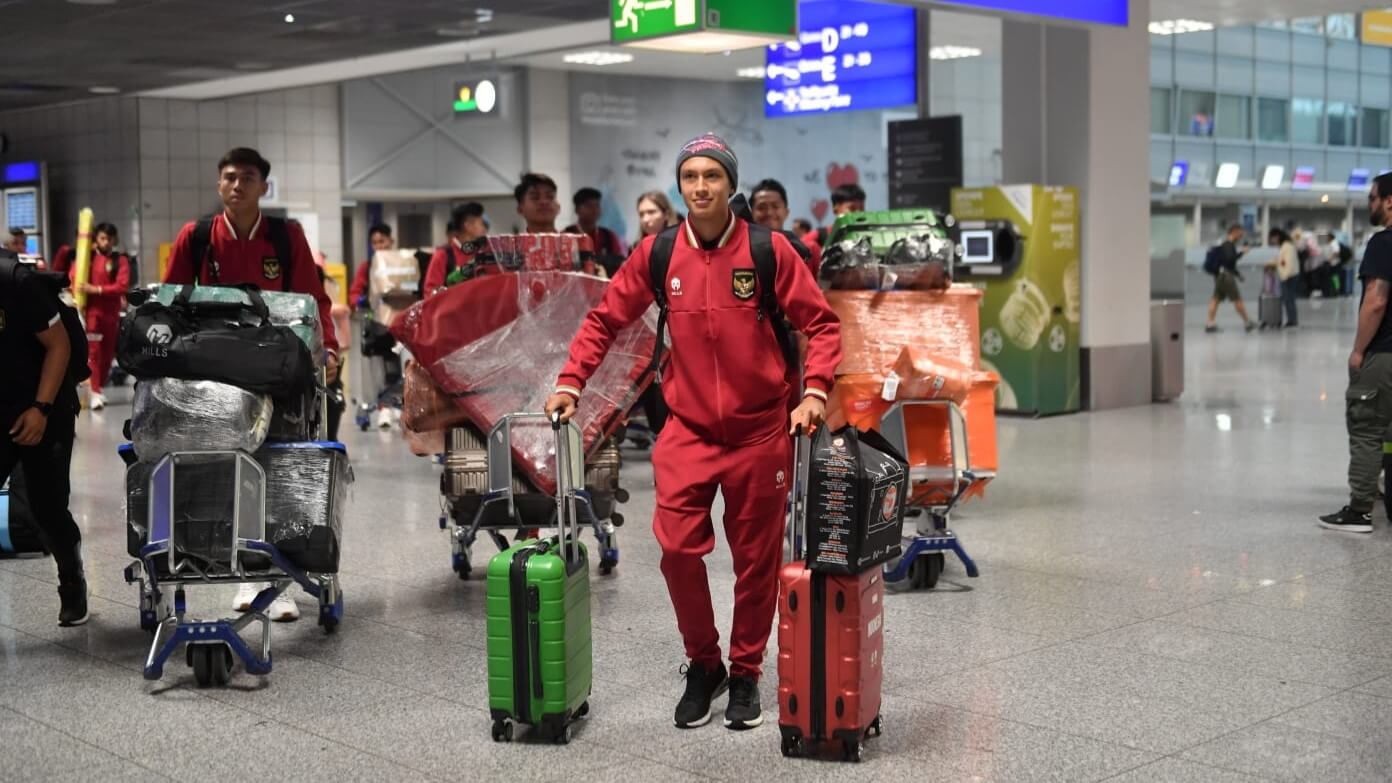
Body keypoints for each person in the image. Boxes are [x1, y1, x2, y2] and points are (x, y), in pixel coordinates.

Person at [545, 133, 843, 732]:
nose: (701, 187)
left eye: (712, 175)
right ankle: (705, 664)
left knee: (755, 561)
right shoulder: (658, 254)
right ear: (680, 185)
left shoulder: (768, 250)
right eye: (690, 177)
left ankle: (746, 671)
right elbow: (605, 319)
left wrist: (814, 392)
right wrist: (571, 380)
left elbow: (822, 324)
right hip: (688, 430)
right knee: (678, 550)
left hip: (761, 431)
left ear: (730, 184)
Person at [163, 147, 339, 622]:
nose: (236, 185)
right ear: (218, 183)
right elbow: (170, 303)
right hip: (215, 376)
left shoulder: (286, 236)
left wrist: (328, 349)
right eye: (228, 177)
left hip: (277, 371)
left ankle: (273, 581)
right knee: (226, 467)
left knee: (275, 466)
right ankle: (244, 572)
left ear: (263, 186)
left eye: (246, 177)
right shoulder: (197, 237)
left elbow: (312, 299)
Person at [0, 248, 86, 626]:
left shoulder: (15, 281)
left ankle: (72, 578)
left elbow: (59, 345)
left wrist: (40, 409)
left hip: (45, 405)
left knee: (47, 509)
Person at [1322, 173, 1392, 533]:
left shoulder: (1383, 243)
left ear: (1390, 201)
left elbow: (1376, 301)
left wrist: (1358, 350)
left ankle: (1360, 510)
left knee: (1367, 426)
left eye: (1373, 198)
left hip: (1385, 353)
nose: (1370, 204)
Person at [79, 223, 131, 411]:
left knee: (108, 355)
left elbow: (122, 286)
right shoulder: (87, 259)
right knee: (93, 353)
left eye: (109, 238)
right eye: (102, 238)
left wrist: (96, 289)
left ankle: (98, 388)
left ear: (114, 240)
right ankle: (94, 391)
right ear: (96, 239)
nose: (106, 242)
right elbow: (75, 277)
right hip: (93, 314)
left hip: (111, 315)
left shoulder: (120, 260)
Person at [751, 178, 821, 277]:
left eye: (775, 206)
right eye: (762, 207)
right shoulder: (743, 250)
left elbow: (820, 284)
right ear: (752, 213)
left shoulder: (808, 249)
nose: (769, 213)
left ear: (786, 212)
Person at [424, 202, 489, 295]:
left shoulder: (482, 252)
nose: (484, 229)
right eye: (481, 223)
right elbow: (430, 291)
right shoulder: (443, 255)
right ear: (468, 226)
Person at [565, 187, 628, 276]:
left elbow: (620, 263)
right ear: (577, 210)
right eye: (589, 206)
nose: (594, 210)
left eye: (597, 205)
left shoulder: (609, 236)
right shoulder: (566, 235)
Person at [1204, 225, 1255, 333]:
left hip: (1220, 276)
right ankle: (1247, 322)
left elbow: (1227, 263)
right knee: (1237, 299)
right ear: (1234, 232)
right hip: (1226, 277)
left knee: (1215, 299)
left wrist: (1238, 275)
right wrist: (1242, 253)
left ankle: (1210, 323)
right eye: (1240, 234)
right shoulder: (1228, 245)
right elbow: (1230, 261)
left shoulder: (1224, 245)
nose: (1241, 237)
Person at [803, 183, 866, 257]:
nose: (858, 213)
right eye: (852, 208)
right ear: (835, 208)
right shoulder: (817, 238)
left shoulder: (867, 237)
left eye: (861, 208)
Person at [349, 223, 395, 309]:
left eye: (381, 241)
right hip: (373, 311)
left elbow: (411, 286)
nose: (378, 246)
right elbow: (354, 294)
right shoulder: (366, 267)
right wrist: (360, 301)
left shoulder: (401, 264)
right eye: (374, 243)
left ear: (391, 241)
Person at [1270, 228, 1299, 329]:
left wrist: (1285, 276)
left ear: (1277, 236)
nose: (1272, 241)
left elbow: (1289, 262)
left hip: (1289, 276)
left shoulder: (1287, 246)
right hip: (1287, 275)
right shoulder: (1284, 246)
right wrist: (1273, 262)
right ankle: (1291, 320)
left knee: (1289, 299)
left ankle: (1292, 321)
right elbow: (1281, 260)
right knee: (1288, 299)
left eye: (1272, 238)